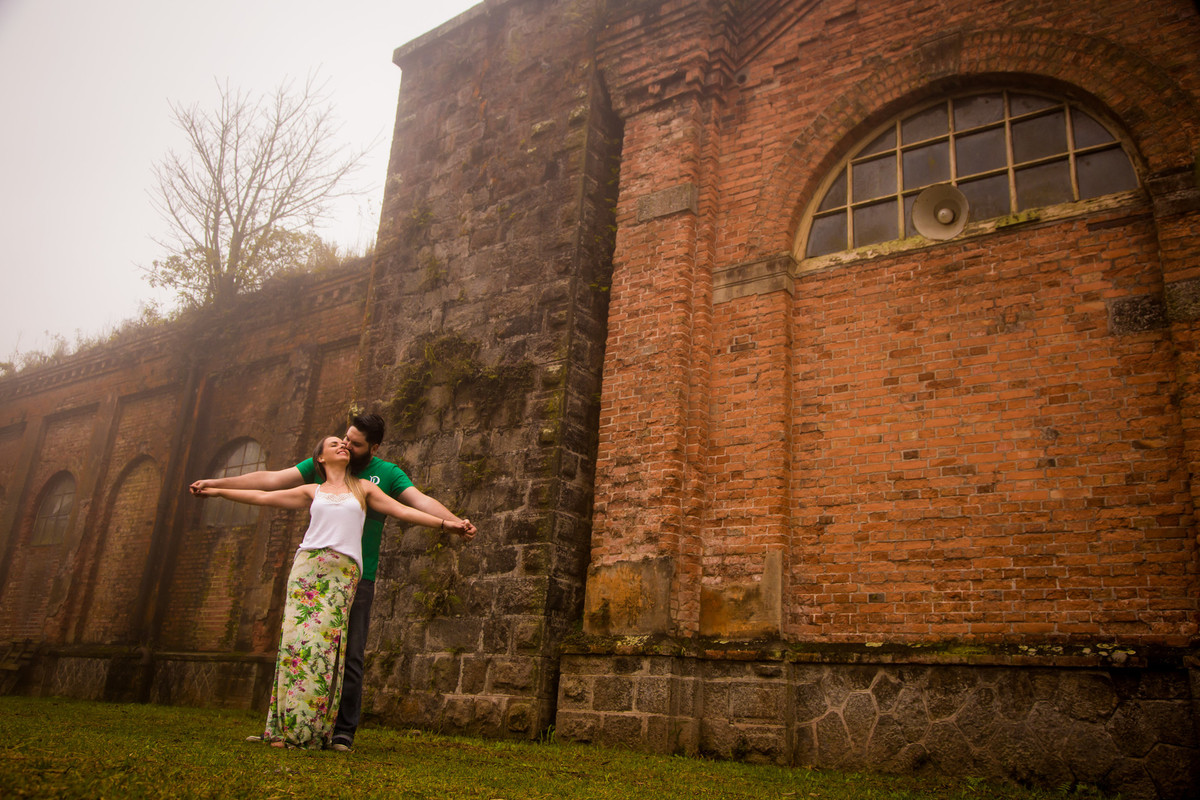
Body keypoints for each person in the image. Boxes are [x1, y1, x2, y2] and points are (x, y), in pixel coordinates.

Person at [190, 413, 476, 751]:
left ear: (373, 447)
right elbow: (270, 483)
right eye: (343, 439)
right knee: (300, 647)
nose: (346, 445)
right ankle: (292, 725)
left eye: (355, 444)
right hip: (312, 570)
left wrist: (454, 522)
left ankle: (342, 731)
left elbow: (415, 504)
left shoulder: (382, 476)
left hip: (358, 574)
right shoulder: (321, 470)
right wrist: (218, 485)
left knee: (349, 653)